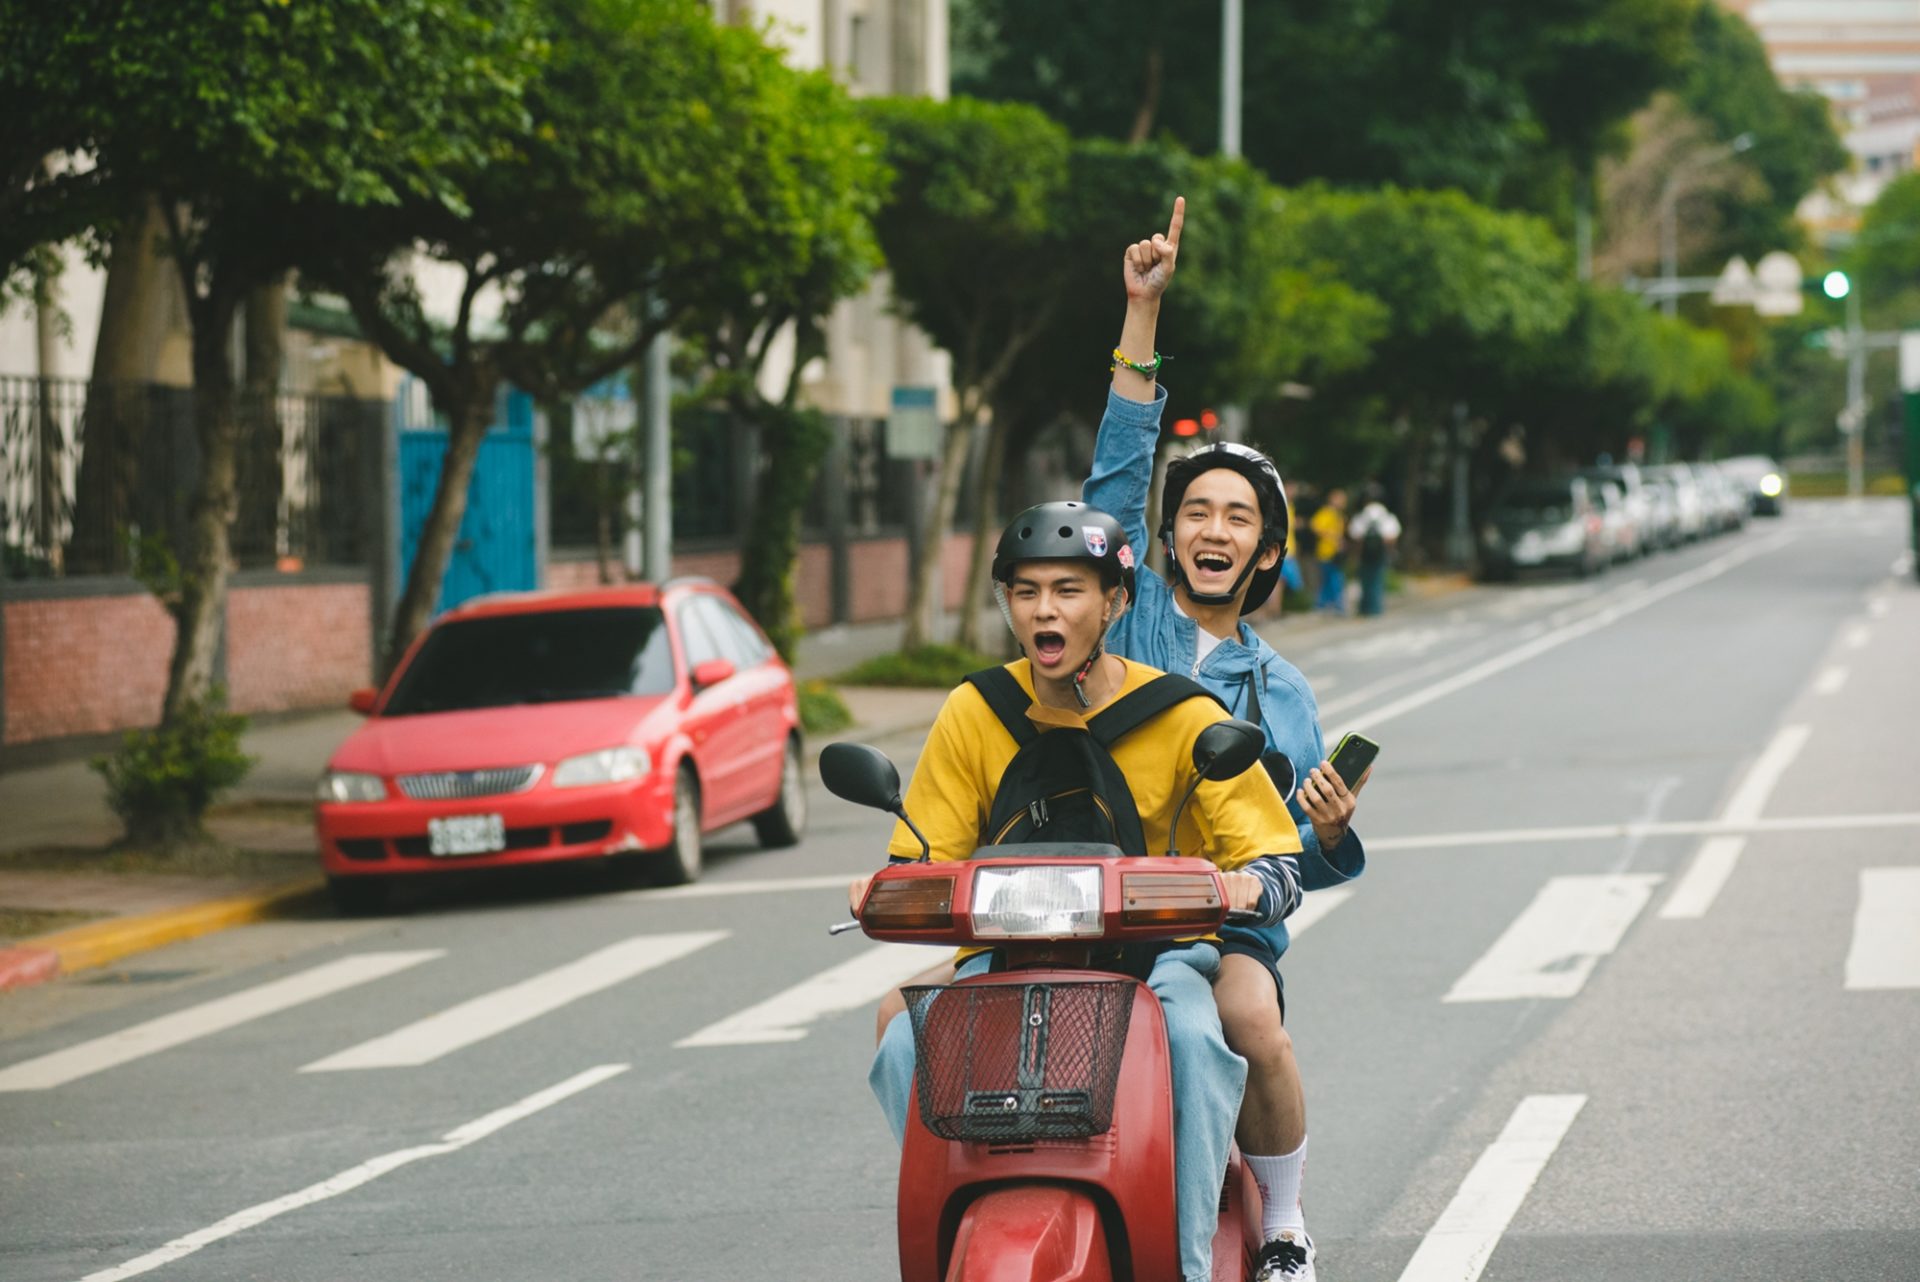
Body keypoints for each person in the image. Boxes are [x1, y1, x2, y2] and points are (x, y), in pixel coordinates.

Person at [856, 500, 1305, 1282]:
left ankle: (1188, 1257)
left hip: (1156, 957)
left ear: (1115, 603)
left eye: (1068, 590)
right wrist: (889, 884)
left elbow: (1275, 859)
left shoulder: (1181, 715)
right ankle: (952, 1221)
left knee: (1198, 1043)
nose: (1044, 610)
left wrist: (1242, 886)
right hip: (1003, 957)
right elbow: (922, 851)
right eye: (1025, 593)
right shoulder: (975, 711)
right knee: (902, 1042)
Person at [1085, 196, 1368, 1282]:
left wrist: (1323, 837)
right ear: (1166, 541)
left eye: (1238, 519)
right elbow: (1113, 476)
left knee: (1251, 1019)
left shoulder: (1280, 686)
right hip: (1094, 893)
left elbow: (1296, 847)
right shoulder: (1133, 615)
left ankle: (1286, 1222)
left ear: (1265, 554)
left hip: (1213, 920)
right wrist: (1140, 313)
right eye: (1197, 512)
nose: (1214, 528)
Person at [1346, 484, 1402, 617]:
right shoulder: (1386, 515)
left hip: (1364, 554)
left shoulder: (1361, 515)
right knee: (1377, 580)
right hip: (1380, 553)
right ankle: (1376, 609)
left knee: (1365, 580)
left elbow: (1354, 535)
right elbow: (1392, 535)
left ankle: (1365, 609)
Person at [1310, 488, 1349, 614]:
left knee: (1330, 578)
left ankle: (1324, 604)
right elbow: (1315, 526)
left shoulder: (1339, 515)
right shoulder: (1326, 513)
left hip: (1335, 552)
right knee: (1333, 578)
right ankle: (1335, 605)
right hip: (1326, 551)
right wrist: (1332, 537)